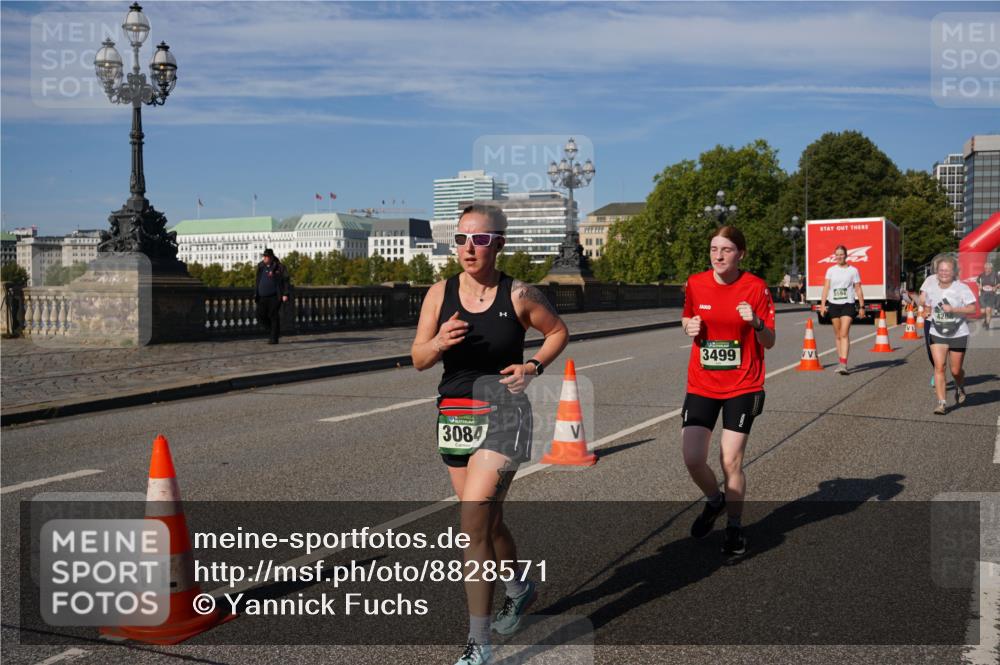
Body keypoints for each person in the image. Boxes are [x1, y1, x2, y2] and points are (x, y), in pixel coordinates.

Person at [411, 204, 569, 665]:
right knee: (488, 523)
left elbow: (558, 330)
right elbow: (419, 357)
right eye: (461, 239)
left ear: (499, 243)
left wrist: (533, 366)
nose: (467, 248)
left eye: (479, 240)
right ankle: (520, 587)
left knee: (472, 524)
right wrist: (438, 342)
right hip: (455, 416)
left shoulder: (519, 294)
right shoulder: (438, 295)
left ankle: (478, 644)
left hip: (505, 415)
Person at [681, 226, 775, 557]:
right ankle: (715, 501)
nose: (718, 256)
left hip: (743, 383)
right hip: (702, 383)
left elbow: (770, 341)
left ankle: (734, 528)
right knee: (693, 458)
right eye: (713, 249)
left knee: (729, 459)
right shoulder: (695, 283)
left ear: (740, 254)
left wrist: (757, 323)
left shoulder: (756, 288)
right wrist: (688, 325)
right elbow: (687, 317)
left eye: (726, 250)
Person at [919, 254, 977, 415]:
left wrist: (954, 310)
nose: (944, 273)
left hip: (958, 332)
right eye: (941, 270)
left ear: (954, 272)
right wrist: (926, 312)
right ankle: (941, 403)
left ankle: (959, 386)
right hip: (937, 332)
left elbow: (972, 308)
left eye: (948, 270)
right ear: (937, 271)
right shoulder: (931, 287)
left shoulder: (961, 288)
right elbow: (928, 306)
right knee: (939, 367)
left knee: (956, 370)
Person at [818, 245, 865, 374]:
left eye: (841, 254)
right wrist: (823, 305)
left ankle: (844, 364)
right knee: (838, 335)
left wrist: (862, 306)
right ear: (835, 256)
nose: (839, 257)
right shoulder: (831, 270)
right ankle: (840, 361)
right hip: (833, 304)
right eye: (837, 254)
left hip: (848, 304)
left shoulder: (853, 270)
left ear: (846, 255)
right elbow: (826, 288)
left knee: (844, 333)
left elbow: (858, 289)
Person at [255, 248, 289, 344]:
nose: (264, 258)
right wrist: (256, 292)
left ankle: (274, 338)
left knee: (273, 316)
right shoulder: (261, 266)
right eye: (264, 256)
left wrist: (285, 294)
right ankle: (274, 332)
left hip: (275, 296)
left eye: (266, 256)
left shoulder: (280, 267)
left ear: (271, 257)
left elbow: (286, 280)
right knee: (260, 315)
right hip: (262, 296)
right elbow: (257, 280)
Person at [977, 261, 997, 330]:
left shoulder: (995, 275)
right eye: (986, 268)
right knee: (983, 311)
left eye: (989, 268)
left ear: (991, 269)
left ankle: (987, 324)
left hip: (991, 294)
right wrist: (979, 286)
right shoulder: (981, 275)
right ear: (984, 268)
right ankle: (985, 319)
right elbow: (977, 282)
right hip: (982, 295)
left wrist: (996, 287)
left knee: (988, 310)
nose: (988, 269)